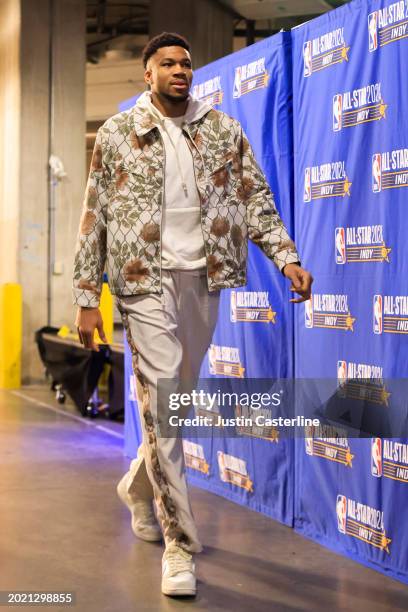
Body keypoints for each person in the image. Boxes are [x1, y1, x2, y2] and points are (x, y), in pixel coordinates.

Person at [73, 31, 313, 597]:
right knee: (161, 399)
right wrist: (87, 297)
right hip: (140, 283)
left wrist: (287, 258)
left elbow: (256, 199)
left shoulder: (223, 130)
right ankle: (179, 545)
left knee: (172, 409)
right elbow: (94, 217)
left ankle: (137, 486)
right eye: (167, 64)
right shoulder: (117, 133)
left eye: (185, 63)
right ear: (147, 74)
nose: (180, 70)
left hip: (204, 280)